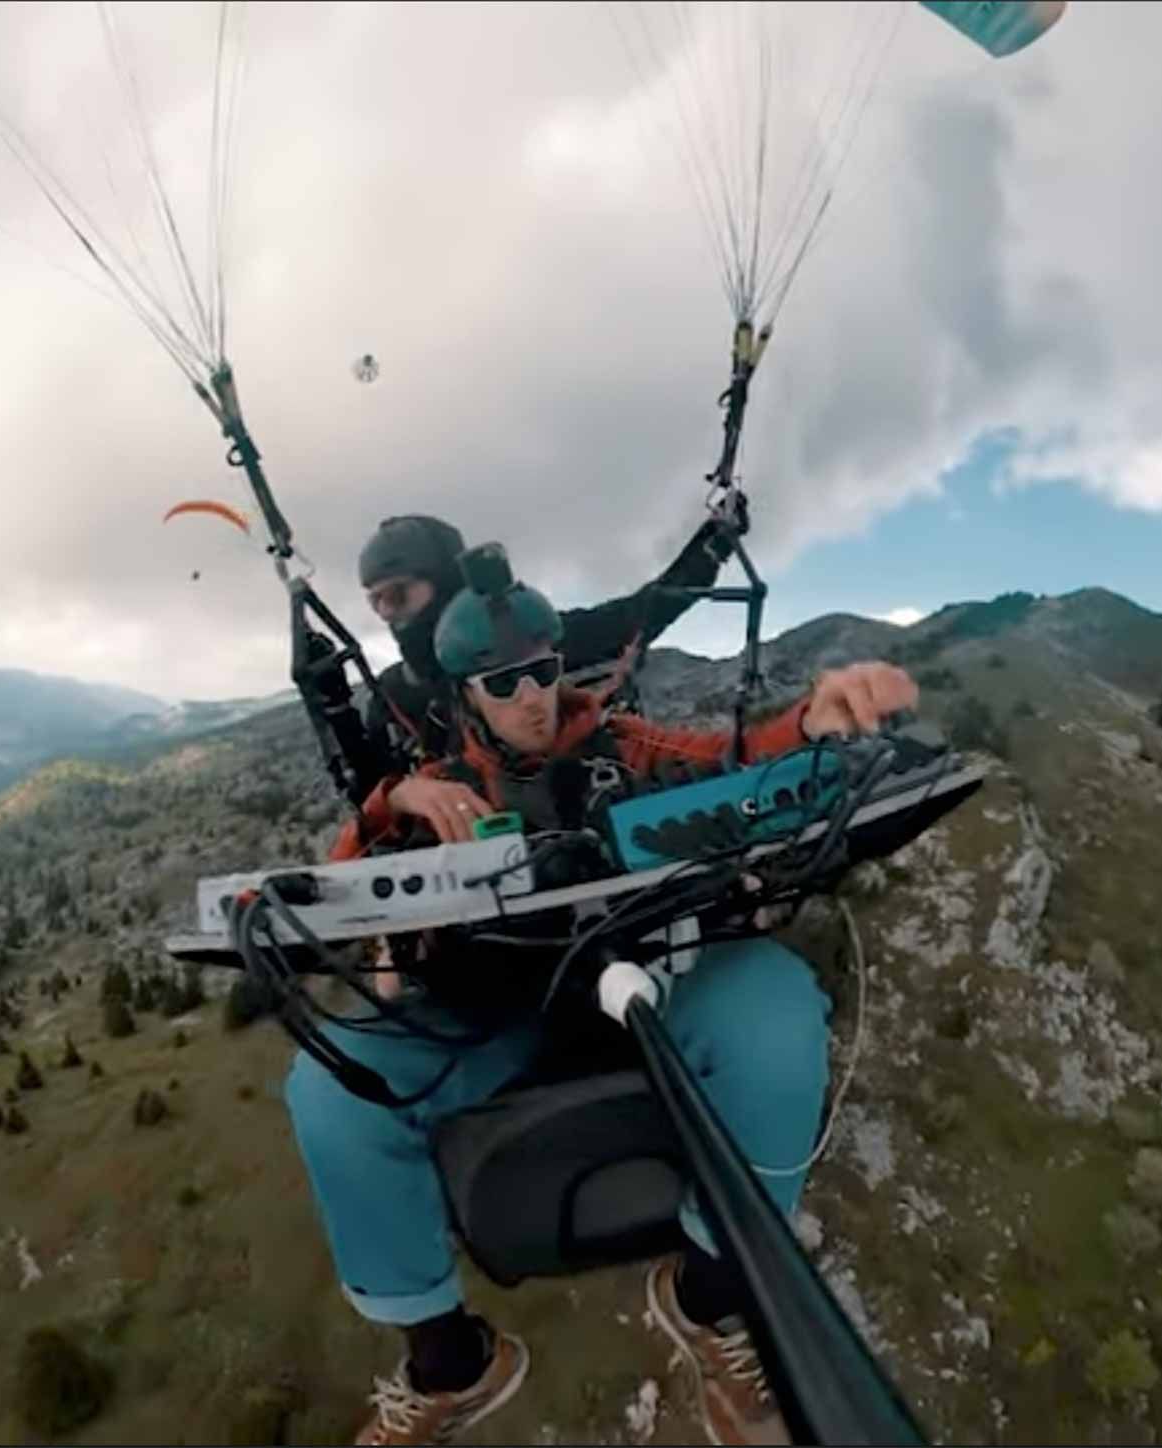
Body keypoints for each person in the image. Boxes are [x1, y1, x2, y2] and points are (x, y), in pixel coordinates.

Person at [285, 546, 919, 1446]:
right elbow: (343, 875)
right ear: (465, 692)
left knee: (778, 1013)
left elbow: (731, 760)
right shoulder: (442, 789)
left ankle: (708, 1297)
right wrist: (395, 803)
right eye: (503, 683)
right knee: (331, 1092)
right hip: (497, 1012)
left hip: (650, 977)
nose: (533, 697)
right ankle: (448, 1363)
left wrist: (812, 722)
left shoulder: (622, 744)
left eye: (543, 670)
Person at [356, 499, 746, 780]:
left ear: (441, 581)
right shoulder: (394, 695)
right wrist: (399, 796)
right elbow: (377, 807)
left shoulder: (522, 638)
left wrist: (710, 550)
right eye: (377, 604)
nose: (389, 614)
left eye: (397, 596)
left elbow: (636, 615)